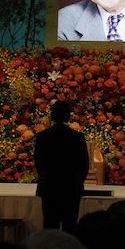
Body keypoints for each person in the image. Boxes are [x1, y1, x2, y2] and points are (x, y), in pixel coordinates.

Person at [34, 100, 90, 233]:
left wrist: (45, 177)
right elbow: (84, 164)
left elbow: (38, 163)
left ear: (52, 116)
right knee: (69, 227)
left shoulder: (43, 136)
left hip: (49, 186)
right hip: (70, 187)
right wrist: (78, 182)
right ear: (68, 116)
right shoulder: (77, 137)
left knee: (50, 226)